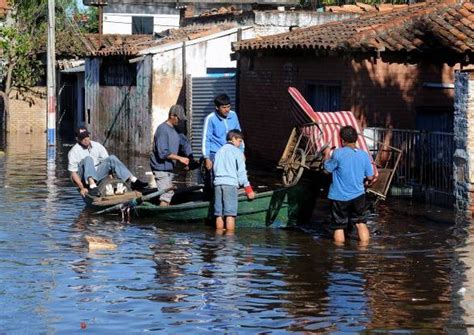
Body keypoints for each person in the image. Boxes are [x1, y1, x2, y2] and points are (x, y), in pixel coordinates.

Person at [323, 125, 375, 244]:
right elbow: (370, 177)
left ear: (342, 140)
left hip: (339, 196)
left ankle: (339, 255)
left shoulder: (337, 153)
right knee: (360, 223)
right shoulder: (364, 155)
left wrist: (326, 154)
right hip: (359, 195)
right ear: (356, 139)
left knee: (339, 225)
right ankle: (364, 249)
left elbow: (328, 169)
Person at [68, 126, 148, 198]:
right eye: (82, 138)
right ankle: (92, 186)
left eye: (87, 136)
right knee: (88, 159)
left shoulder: (97, 146)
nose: (86, 139)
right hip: (84, 179)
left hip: (97, 175)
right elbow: (73, 173)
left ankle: (133, 180)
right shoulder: (74, 151)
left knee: (111, 158)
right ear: (77, 139)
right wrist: (82, 188)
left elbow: (107, 164)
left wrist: (112, 180)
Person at [150, 105, 198, 206]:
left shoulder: (176, 130)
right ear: (172, 116)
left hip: (169, 170)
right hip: (160, 169)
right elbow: (163, 153)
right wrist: (180, 158)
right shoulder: (162, 129)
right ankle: (161, 220)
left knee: (168, 194)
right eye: (179, 119)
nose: (179, 122)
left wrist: (190, 158)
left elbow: (185, 143)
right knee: (166, 196)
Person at [213, 129, 255, 232]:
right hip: (230, 185)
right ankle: (229, 244)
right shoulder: (237, 152)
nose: (240, 144)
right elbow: (241, 173)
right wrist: (249, 190)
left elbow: (214, 169)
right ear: (233, 139)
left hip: (218, 184)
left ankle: (218, 240)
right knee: (230, 215)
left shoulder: (219, 151)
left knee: (219, 214)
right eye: (240, 141)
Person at [202, 94, 243, 196]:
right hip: (215, 153)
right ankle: (210, 199)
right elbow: (206, 139)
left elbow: (239, 135)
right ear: (217, 107)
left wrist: (241, 152)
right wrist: (207, 158)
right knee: (213, 180)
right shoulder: (210, 119)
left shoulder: (233, 115)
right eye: (224, 107)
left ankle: (229, 197)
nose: (227, 110)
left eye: (228, 107)